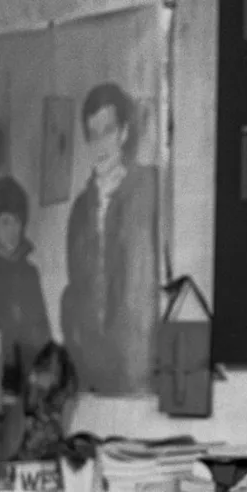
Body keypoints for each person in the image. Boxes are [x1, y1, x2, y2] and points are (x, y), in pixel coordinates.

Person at [61, 81, 158, 394]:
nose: (100, 143)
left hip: (142, 365)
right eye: (92, 134)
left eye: (107, 130)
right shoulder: (79, 210)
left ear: (124, 132)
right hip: (93, 370)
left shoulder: (149, 189)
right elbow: (76, 290)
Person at [0, 175, 52, 393]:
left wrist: (45, 371)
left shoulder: (30, 274)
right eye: (5, 221)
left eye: (17, 222)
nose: (12, 230)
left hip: (30, 379)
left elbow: (42, 328)